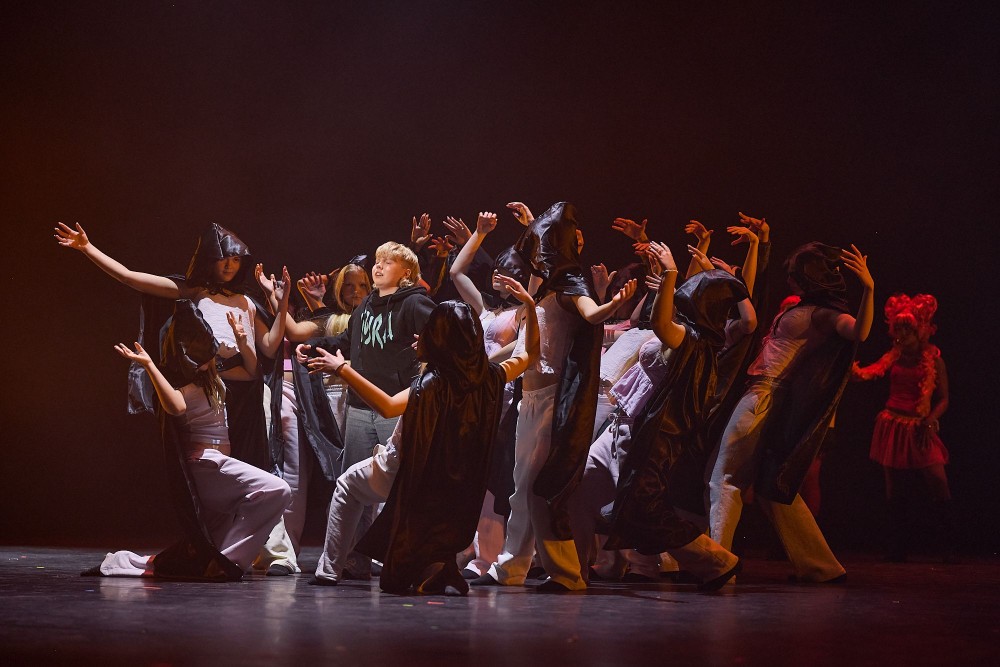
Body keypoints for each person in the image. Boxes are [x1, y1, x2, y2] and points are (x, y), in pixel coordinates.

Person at [308, 278, 539, 594]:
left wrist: (342, 369)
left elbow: (388, 406)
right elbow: (530, 353)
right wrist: (531, 306)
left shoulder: (433, 384)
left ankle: (328, 571)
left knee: (347, 486)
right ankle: (437, 569)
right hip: (455, 479)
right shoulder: (491, 377)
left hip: (409, 469)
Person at [472, 202, 637, 592]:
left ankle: (566, 574)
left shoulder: (570, 285)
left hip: (550, 401)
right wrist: (533, 223)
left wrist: (613, 304)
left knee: (538, 488)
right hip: (528, 399)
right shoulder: (545, 287)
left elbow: (591, 314)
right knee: (521, 489)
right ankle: (511, 567)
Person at [54, 222, 288, 472]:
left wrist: (282, 302)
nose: (229, 265)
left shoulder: (247, 302)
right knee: (207, 465)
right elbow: (130, 277)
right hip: (208, 391)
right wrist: (88, 248)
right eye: (223, 258)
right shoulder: (196, 291)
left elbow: (269, 347)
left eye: (236, 259)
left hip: (246, 393)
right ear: (211, 258)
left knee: (253, 463)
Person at [84, 300, 291, 579]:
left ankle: (121, 562)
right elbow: (175, 407)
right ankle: (227, 563)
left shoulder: (215, 377)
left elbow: (252, 373)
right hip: (206, 466)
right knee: (278, 490)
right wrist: (149, 365)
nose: (206, 363)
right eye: (199, 358)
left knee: (200, 551)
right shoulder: (185, 386)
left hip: (220, 468)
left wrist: (242, 342)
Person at [706, 241, 874, 583]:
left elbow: (859, 331)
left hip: (763, 396)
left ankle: (719, 565)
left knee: (725, 479)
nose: (789, 280)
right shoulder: (805, 308)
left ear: (810, 277)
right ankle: (821, 567)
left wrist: (869, 288)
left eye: (795, 274)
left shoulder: (822, 315)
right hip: (765, 397)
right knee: (771, 488)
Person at [598, 242, 754, 590]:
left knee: (645, 503)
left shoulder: (691, 337)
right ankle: (706, 562)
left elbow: (659, 322)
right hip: (658, 429)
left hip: (663, 432)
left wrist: (671, 272)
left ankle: (718, 561)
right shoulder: (700, 339)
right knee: (637, 503)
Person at [296, 241, 436, 579]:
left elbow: (445, 330)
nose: (379, 266)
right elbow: (347, 342)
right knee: (353, 486)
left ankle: (401, 558)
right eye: (378, 260)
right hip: (360, 407)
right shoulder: (366, 306)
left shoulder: (414, 302)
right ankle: (353, 559)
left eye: (388, 262)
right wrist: (313, 346)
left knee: (399, 484)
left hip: (394, 406)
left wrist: (430, 342)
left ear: (406, 273)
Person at [852, 293, 954, 562]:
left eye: (906, 329)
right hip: (893, 424)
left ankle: (947, 547)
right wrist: (852, 371)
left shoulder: (934, 360)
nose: (901, 335)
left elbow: (944, 399)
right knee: (895, 489)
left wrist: (930, 418)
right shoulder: (893, 357)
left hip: (919, 426)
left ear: (920, 331)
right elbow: (869, 372)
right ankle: (897, 549)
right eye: (898, 329)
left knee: (938, 482)